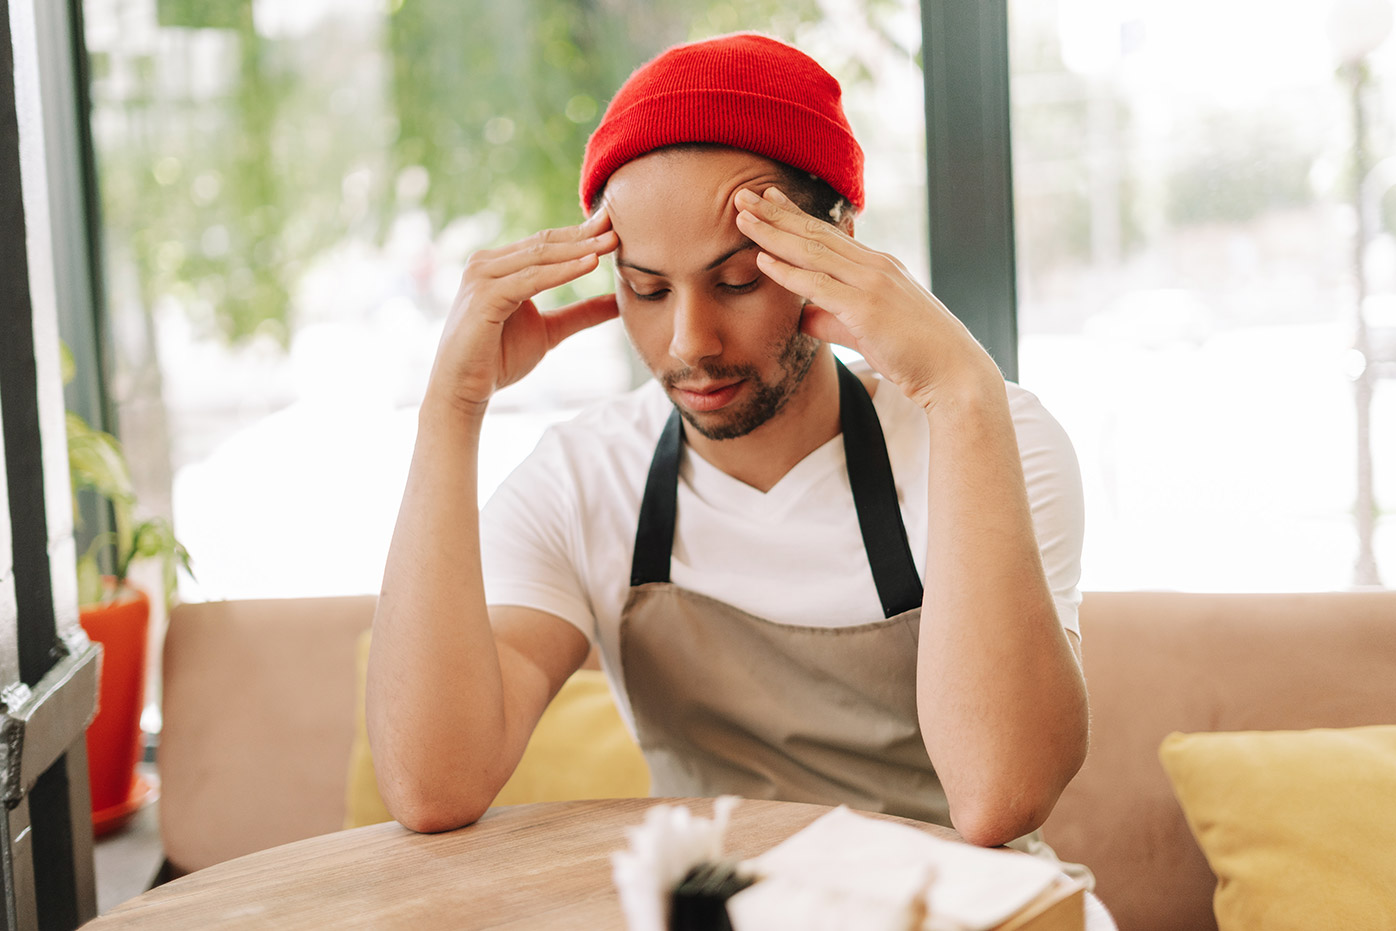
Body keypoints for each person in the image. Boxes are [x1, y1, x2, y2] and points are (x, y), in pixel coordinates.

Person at [368, 30, 1095, 899]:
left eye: (741, 279)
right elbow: (433, 783)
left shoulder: (984, 432)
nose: (689, 344)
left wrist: (961, 387)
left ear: (838, 250)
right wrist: (451, 411)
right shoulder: (583, 478)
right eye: (647, 288)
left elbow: (998, 796)